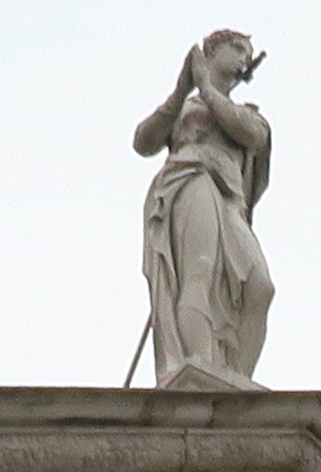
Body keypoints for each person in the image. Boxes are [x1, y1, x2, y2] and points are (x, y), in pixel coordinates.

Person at [134, 31, 275, 388]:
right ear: (213, 50)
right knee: (200, 269)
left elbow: (252, 137)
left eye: (248, 52)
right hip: (191, 178)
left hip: (230, 198)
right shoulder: (184, 108)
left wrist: (207, 90)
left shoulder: (248, 114)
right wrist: (182, 89)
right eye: (238, 48)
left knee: (260, 287)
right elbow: (144, 142)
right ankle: (197, 365)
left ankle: (234, 377)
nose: (245, 58)